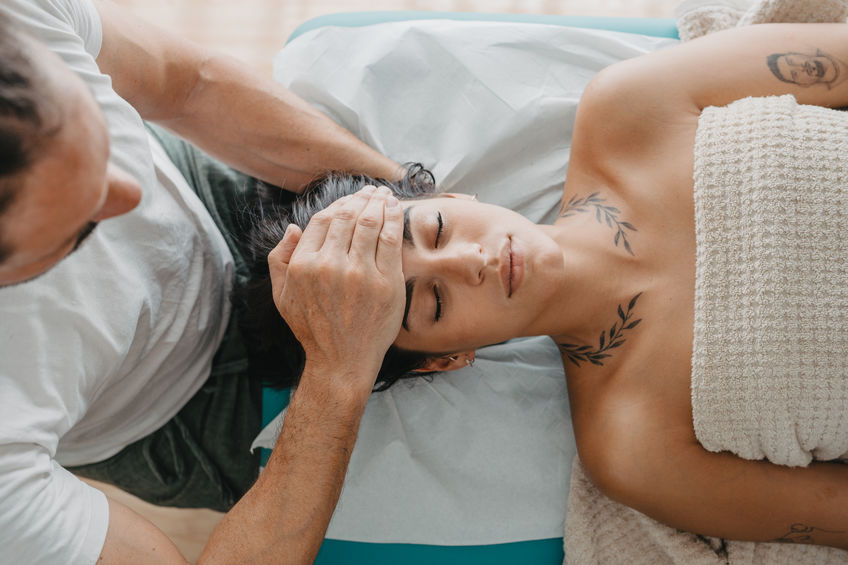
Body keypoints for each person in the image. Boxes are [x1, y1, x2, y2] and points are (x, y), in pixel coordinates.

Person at [248, 23, 848, 551]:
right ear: (445, 360)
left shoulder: (632, 105)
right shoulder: (633, 450)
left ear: (451, 197)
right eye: (433, 301)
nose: (470, 263)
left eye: (434, 229)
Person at [0, 0, 406, 564]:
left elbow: (190, 86)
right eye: (80, 224)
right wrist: (337, 376)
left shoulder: (17, 16)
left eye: (101, 134)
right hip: (174, 412)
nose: (133, 194)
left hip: (206, 199)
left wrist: (399, 193)